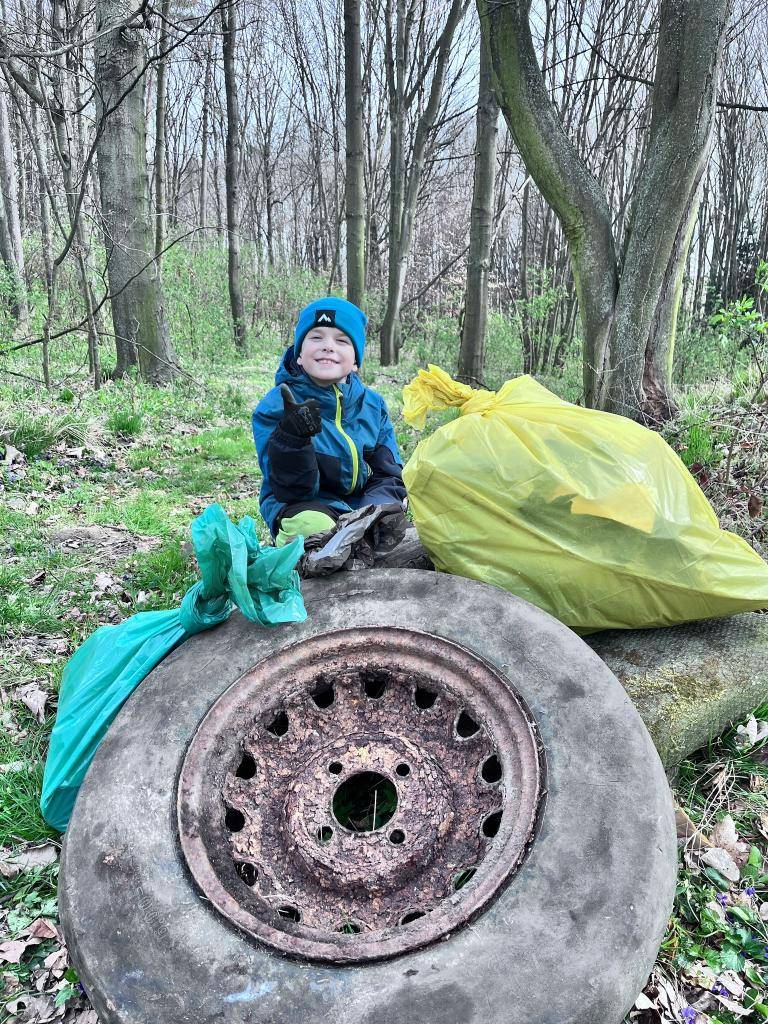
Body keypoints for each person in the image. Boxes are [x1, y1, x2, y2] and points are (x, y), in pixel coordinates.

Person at [252, 296, 408, 548]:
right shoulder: (277, 405)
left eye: (342, 340)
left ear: (355, 361)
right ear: (299, 354)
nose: (328, 346)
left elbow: (387, 472)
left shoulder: (373, 405)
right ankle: (317, 559)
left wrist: (376, 509)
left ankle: (358, 545)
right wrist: (292, 439)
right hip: (303, 505)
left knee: (389, 522)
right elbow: (290, 490)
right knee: (313, 530)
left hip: (360, 505)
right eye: (316, 337)